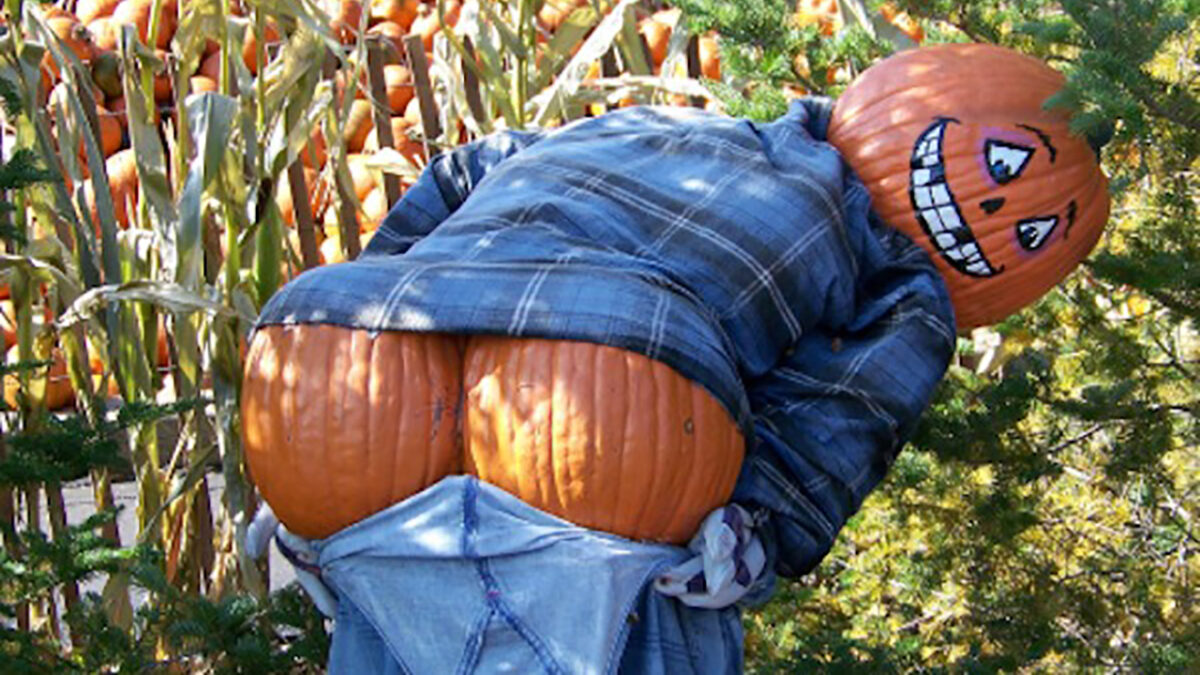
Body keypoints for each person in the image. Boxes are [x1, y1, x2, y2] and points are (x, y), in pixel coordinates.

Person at [244, 43, 1109, 673]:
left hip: (339, 356)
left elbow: (458, 172)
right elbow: (851, 406)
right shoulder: (902, 268)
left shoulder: (647, 123)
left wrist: (385, 299)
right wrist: (761, 530)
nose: (994, 210)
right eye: (1002, 164)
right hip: (602, 381)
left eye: (1030, 231)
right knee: (662, 585)